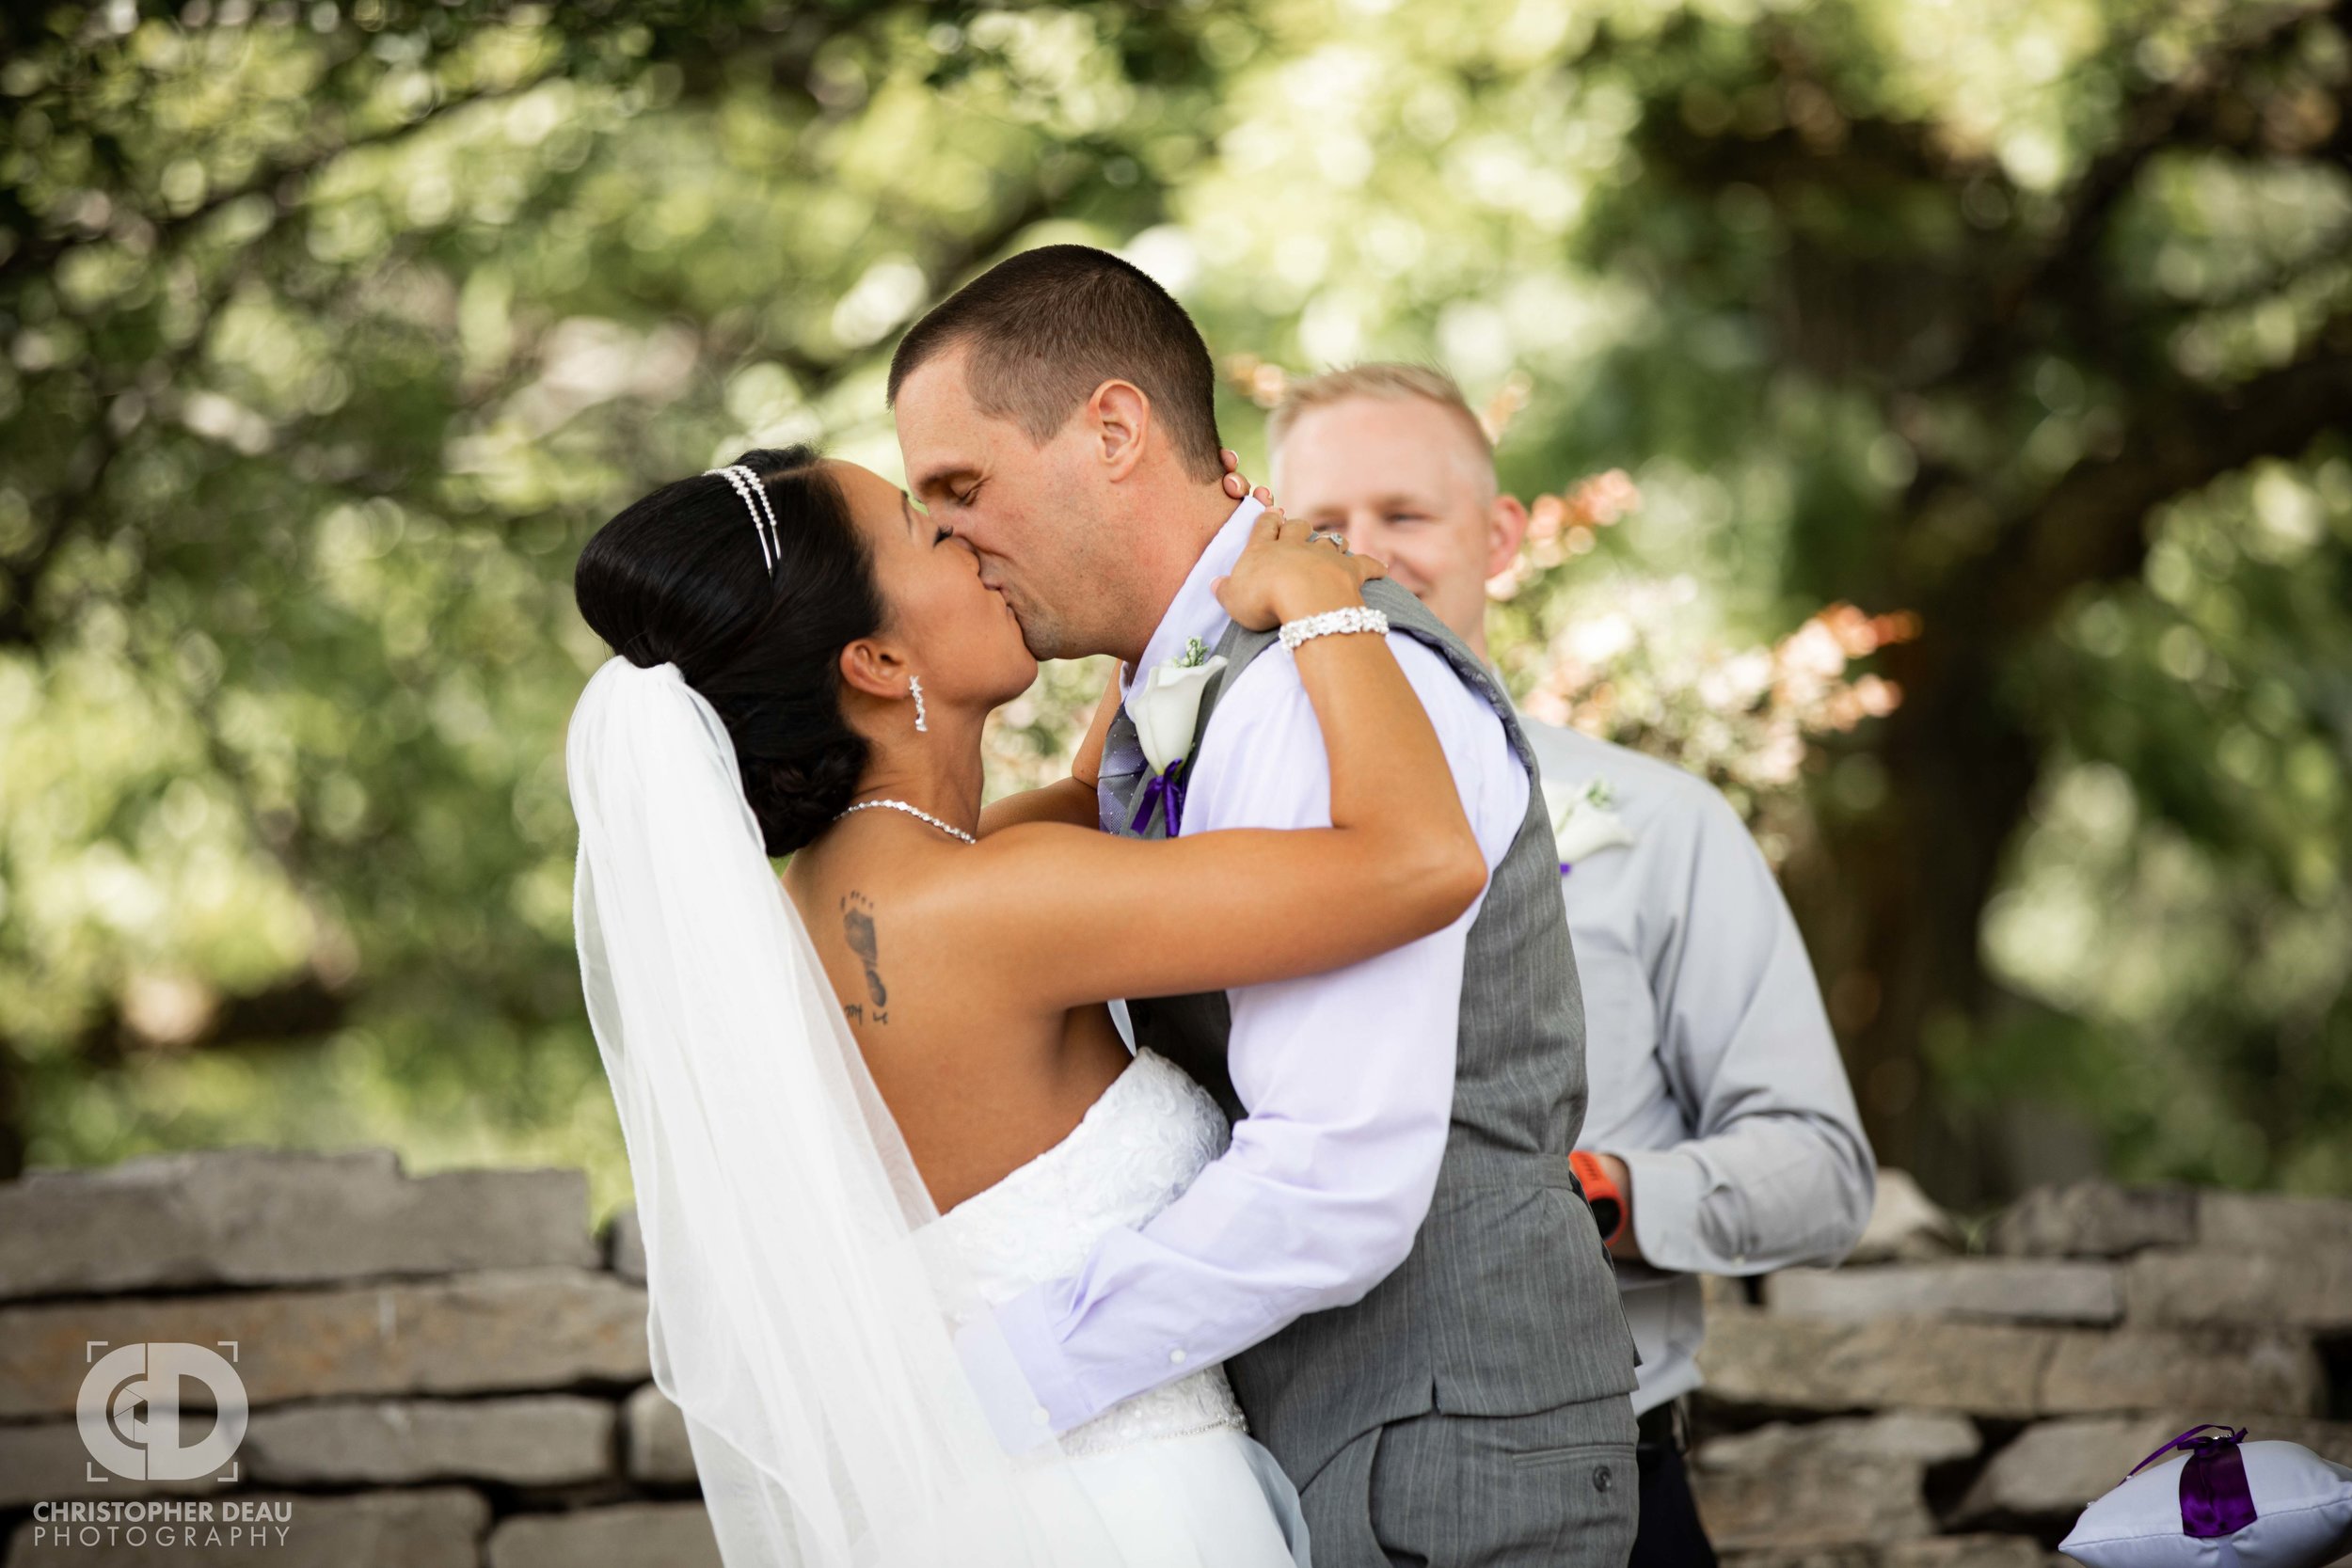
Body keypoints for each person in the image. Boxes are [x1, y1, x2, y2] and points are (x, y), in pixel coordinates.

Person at [569, 447, 1502, 1563]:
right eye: (929, 529)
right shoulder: (982, 905)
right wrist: (1323, 607)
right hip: (1120, 1517)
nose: (971, 539)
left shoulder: (868, 889)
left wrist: (1154, 573)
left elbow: (1112, 781)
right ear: (873, 658)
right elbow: (1418, 864)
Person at [889, 246, 1642, 1568]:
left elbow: (1335, 1180)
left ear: (1114, 429)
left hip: (1439, 1459)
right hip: (1346, 1445)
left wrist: (985, 1388)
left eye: (963, 484)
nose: (949, 537)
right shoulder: (1195, 679)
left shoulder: (1312, 681)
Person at [1266, 361, 1878, 1567]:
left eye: (1403, 515)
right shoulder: (1212, 832)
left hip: (1600, 1478)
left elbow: (1820, 1167)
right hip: (1285, 1490)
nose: (1359, 556)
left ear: (1498, 538)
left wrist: (1601, 1197)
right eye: (1319, 527)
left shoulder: (1661, 823)